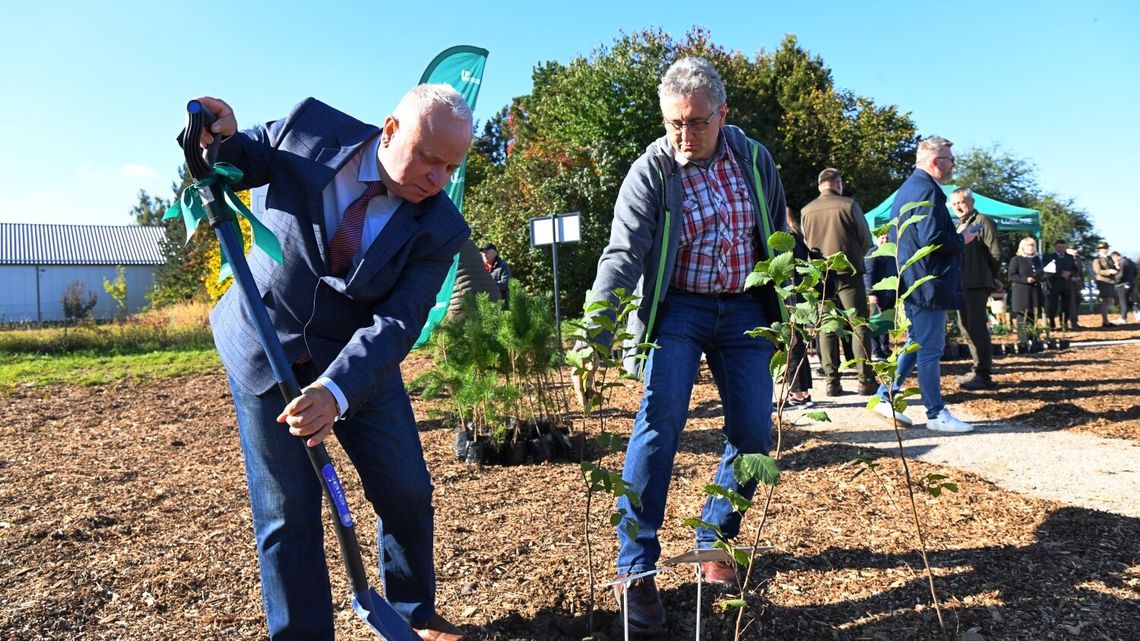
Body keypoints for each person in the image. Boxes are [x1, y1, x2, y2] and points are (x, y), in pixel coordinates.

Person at [190, 88, 473, 641]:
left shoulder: (441, 228)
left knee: (406, 489)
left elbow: (397, 322)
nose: (438, 178)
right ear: (390, 129)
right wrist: (218, 140)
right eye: (427, 157)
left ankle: (412, 611)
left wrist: (336, 391)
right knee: (287, 515)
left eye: (450, 167)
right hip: (265, 345)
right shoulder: (311, 130)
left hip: (356, 367)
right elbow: (243, 157)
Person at [575, 57, 786, 634]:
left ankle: (716, 540)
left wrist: (789, 309)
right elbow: (621, 256)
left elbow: (775, 235)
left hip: (744, 305)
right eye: (673, 123)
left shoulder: (753, 158)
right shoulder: (653, 170)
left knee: (751, 431)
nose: (682, 136)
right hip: (677, 310)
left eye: (694, 123)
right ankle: (635, 568)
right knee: (659, 421)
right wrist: (595, 332)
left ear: (722, 114)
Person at [868, 136, 977, 433]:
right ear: (934, 162)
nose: (953, 165)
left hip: (915, 279)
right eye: (950, 160)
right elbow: (932, 238)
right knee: (930, 348)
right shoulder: (928, 191)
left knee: (917, 345)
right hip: (927, 282)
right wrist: (961, 239)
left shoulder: (908, 190)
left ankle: (884, 396)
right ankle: (935, 413)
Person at [800, 168, 876, 396]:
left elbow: (805, 243)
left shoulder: (806, 210)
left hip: (821, 277)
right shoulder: (849, 204)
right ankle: (865, 380)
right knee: (859, 326)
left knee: (826, 328)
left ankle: (832, 382)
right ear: (838, 183)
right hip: (849, 273)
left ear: (819, 185)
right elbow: (866, 239)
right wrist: (853, 258)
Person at [950, 187, 1002, 390]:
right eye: (954, 204)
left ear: (971, 202)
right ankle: (976, 369)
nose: (958, 207)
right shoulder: (958, 225)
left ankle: (984, 374)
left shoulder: (983, 221)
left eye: (961, 202)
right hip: (961, 284)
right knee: (966, 328)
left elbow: (995, 252)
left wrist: (991, 276)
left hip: (976, 283)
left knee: (977, 328)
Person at [447, 239, 501, 322]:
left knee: (455, 331)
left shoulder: (442, 243)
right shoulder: (467, 241)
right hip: (493, 294)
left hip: (465, 298)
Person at [864, 233, 897, 360]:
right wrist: (871, 293)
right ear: (877, 239)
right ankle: (876, 351)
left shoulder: (891, 253)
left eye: (887, 238)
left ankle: (885, 349)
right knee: (876, 323)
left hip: (889, 295)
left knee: (886, 323)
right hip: (877, 295)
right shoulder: (873, 253)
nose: (885, 240)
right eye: (882, 238)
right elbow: (868, 274)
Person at [1008, 237, 1046, 342]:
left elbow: (1041, 273)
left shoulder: (1037, 259)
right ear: (1022, 247)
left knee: (1033, 316)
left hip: (1034, 292)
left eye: (1033, 245)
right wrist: (1026, 279)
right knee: (1022, 318)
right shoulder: (1016, 259)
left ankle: (1033, 338)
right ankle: (1023, 341)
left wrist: (1043, 276)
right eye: (1028, 245)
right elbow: (1012, 275)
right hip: (1022, 293)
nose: (1031, 248)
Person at [1044, 239, 1078, 330]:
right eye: (1059, 247)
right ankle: (1051, 323)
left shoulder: (1069, 257)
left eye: (1063, 247)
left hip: (1067, 284)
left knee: (1066, 305)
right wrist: (1060, 274)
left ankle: (1064, 323)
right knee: (1052, 305)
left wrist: (1069, 273)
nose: (1061, 249)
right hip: (1054, 284)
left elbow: (1074, 269)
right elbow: (1047, 270)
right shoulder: (1049, 257)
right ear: (1055, 247)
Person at [1092, 241, 1118, 327]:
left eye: (1106, 248)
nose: (1105, 250)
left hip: (1111, 282)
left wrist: (1116, 268)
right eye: (1103, 249)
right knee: (1104, 301)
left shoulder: (1109, 258)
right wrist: (1108, 271)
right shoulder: (1097, 260)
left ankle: (1107, 320)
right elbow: (1098, 271)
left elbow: (1113, 267)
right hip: (1103, 282)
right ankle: (1105, 321)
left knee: (1108, 302)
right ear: (1099, 250)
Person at [1111, 251, 1137, 324]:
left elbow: (1121, 274)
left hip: (1122, 284)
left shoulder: (1121, 262)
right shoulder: (1130, 261)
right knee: (1127, 300)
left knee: (1123, 301)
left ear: (1115, 256)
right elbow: (1136, 272)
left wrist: (1114, 280)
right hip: (1130, 283)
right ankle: (1137, 311)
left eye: (1113, 258)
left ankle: (1123, 318)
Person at [1065, 245, 1085, 329]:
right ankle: (1071, 322)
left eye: (1075, 249)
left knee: (1077, 301)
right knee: (1071, 304)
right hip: (1068, 283)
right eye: (1073, 249)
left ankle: (1075, 321)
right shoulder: (1065, 259)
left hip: (1077, 283)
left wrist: (1082, 283)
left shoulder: (1078, 259)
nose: (1075, 251)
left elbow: (1080, 273)